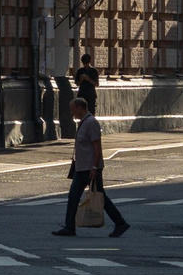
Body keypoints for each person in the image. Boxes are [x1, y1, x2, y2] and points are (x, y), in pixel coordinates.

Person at [53, 97, 128, 236]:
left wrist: (95, 167)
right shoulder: (83, 122)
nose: (72, 112)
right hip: (81, 168)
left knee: (100, 197)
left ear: (81, 108)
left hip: (90, 169)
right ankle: (69, 227)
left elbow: (97, 147)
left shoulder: (91, 122)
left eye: (73, 109)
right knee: (73, 196)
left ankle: (121, 223)